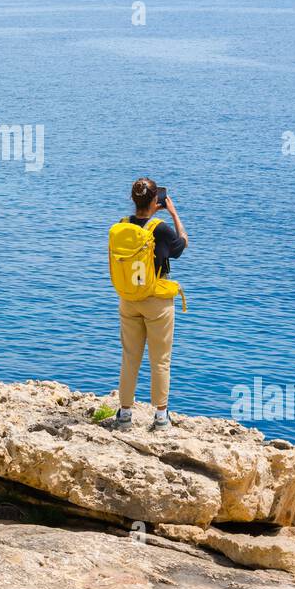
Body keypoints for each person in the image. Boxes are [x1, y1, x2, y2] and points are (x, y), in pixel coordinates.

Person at [109, 177, 188, 431]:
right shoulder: (160, 228)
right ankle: (161, 416)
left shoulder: (122, 225)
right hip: (155, 300)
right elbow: (181, 246)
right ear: (156, 201)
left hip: (128, 297)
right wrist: (175, 215)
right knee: (160, 359)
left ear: (134, 200)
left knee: (130, 357)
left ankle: (124, 414)